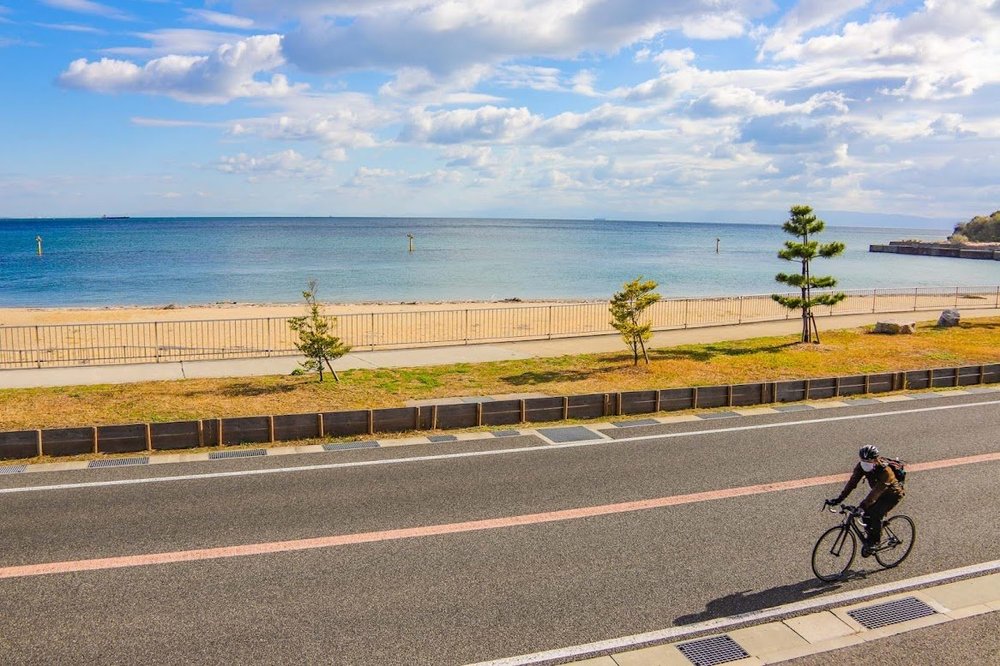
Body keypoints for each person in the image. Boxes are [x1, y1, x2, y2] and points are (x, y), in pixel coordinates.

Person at [826, 445, 905, 555]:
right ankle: (871, 536)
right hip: (878, 494)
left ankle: (875, 542)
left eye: (868, 460)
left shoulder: (886, 471)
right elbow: (852, 483)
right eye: (863, 460)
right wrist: (839, 499)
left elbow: (876, 492)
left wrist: (862, 506)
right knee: (865, 514)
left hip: (892, 494)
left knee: (875, 514)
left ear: (875, 459)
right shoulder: (861, 466)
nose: (865, 463)